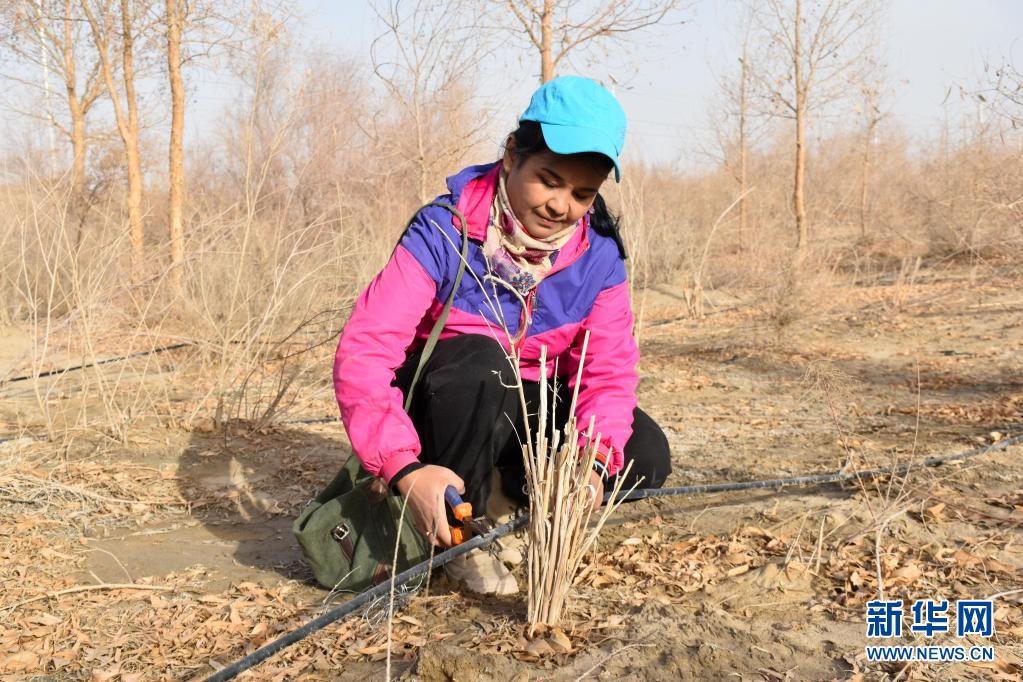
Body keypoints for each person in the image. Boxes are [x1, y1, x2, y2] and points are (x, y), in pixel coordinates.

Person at [333, 75, 671, 594]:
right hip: (449, 403)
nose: (561, 206)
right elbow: (365, 353)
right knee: (483, 364)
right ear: (512, 155)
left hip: (527, 407)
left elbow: (607, 374)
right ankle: (460, 532)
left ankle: (511, 504)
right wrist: (403, 467)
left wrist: (592, 463)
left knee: (644, 452)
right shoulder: (443, 229)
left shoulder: (599, 256)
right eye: (549, 181)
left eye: (582, 194)